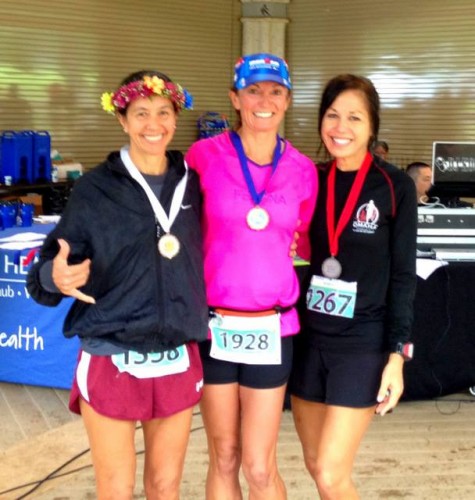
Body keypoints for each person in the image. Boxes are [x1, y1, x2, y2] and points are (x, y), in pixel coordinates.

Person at [27, 70, 208, 500]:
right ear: (122, 121)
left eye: (164, 112)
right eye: (141, 113)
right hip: (112, 351)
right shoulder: (94, 189)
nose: (153, 124)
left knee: (166, 486)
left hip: (175, 353)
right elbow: (49, 266)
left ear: (175, 119)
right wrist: (53, 275)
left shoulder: (193, 184)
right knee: (115, 488)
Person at [185, 53, 318, 499]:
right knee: (223, 455)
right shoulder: (203, 156)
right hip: (215, 324)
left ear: (287, 101)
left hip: (272, 325)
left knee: (259, 467)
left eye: (275, 91)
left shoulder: (302, 170)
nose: (265, 100)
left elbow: (301, 238)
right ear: (235, 99)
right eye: (253, 90)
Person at [289, 74, 417, 499]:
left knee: (329, 471)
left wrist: (396, 357)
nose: (341, 127)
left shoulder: (394, 187)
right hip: (309, 339)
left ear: (372, 126)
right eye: (332, 115)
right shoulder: (309, 177)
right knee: (313, 463)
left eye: (354, 118)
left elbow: (402, 275)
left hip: (361, 343)